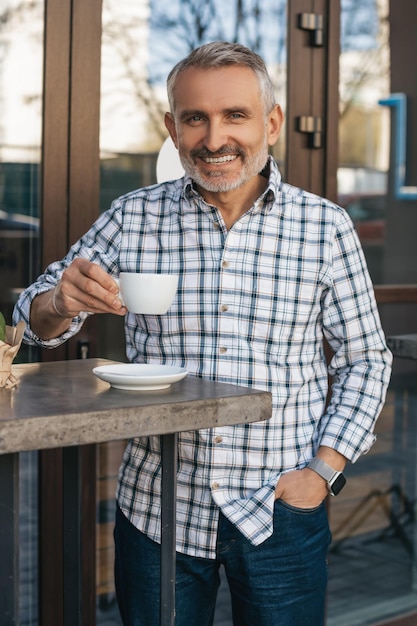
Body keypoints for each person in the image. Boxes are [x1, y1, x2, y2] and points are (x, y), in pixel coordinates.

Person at [13, 41, 392, 625]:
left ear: (270, 122)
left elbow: (366, 358)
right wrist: (59, 303)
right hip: (156, 506)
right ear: (172, 127)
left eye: (234, 115)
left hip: (280, 507)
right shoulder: (131, 217)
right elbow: (31, 328)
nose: (214, 139)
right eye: (195, 118)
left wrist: (322, 472)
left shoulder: (326, 227)